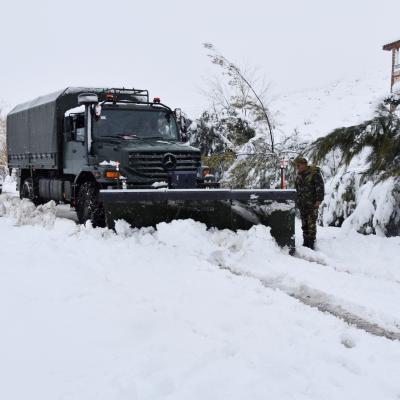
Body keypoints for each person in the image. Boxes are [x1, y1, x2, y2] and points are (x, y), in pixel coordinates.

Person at [294, 157, 325, 250]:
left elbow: (320, 187)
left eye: (299, 165)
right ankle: (305, 241)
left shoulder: (314, 174)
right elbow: (297, 190)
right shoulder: (299, 175)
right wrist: (297, 201)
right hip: (302, 204)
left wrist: (318, 200)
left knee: (311, 224)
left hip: (312, 204)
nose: (297, 167)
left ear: (304, 164)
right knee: (304, 224)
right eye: (297, 166)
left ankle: (311, 243)